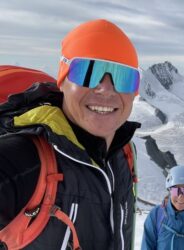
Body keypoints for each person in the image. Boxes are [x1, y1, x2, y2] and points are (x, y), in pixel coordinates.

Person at [0, 19, 141, 249]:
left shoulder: (123, 155)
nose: (106, 89)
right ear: (63, 79)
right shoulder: (23, 157)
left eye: (123, 77)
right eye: (88, 72)